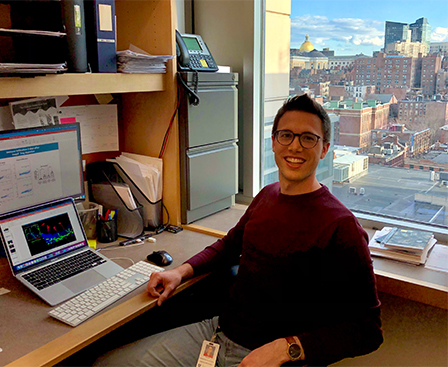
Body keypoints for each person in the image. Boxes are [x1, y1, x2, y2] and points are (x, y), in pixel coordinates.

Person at [94, 94, 383, 367]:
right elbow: (229, 247)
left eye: (308, 138)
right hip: (217, 335)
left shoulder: (340, 226)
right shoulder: (267, 196)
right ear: (273, 142)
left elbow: (367, 331)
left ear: (324, 149)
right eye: (286, 135)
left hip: (270, 358)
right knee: (105, 364)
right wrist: (179, 272)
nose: (295, 147)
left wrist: (288, 348)